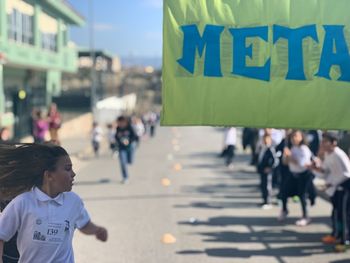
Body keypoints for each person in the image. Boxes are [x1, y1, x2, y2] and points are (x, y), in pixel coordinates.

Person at [0, 143, 108, 263]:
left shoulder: (73, 201)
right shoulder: (22, 203)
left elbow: (84, 224)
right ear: (49, 175)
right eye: (67, 169)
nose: (73, 174)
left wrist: (96, 230)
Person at [311, 132, 350, 252]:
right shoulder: (328, 154)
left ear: (334, 142)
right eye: (322, 141)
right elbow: (325, 171)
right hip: (334, 189)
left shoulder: (339, 154)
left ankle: (345, 241)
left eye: (325, 141)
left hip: (345, 188)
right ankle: (336, 235)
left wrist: (331, 183)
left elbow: (347, 173)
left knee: (344, 215)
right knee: (336, 213)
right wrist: (314, 168)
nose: (322, 144)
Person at [283, 130, 314, 226]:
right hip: (293, 174)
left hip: (304, 175)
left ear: (301, 137)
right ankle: (284, 210)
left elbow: (302, 164)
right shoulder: (292, 148)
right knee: (284, 192)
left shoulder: (304, 149)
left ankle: (306, 216)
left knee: (302, 195)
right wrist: (287, 157)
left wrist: (290, 156)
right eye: (292, 136)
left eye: (296, 136)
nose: (293, 138)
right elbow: (285, 163)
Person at [257, 134, 278, 209]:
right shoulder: (262, 148)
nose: (265, 141)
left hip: (268, 172)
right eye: (264, 139)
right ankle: (264, 200)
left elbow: (275, 161)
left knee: (267, 186)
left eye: (267, 139)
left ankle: (268, 201)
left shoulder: (271, 149)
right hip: (262, 171)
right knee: (263, 186)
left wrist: (270, 168)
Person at [115, 116, 137, 184]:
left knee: (130, 161)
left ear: (124, 122)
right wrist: (120, 141)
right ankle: (125, 177)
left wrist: (129, 141)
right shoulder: (118, 128)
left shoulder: (129, 127)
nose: (119, 124)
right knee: (123, 163)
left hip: (130, 146)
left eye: (120, 122)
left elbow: (134, 137)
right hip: (122, 148)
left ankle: (130, 160)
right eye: (118, 123)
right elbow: (116, 137)